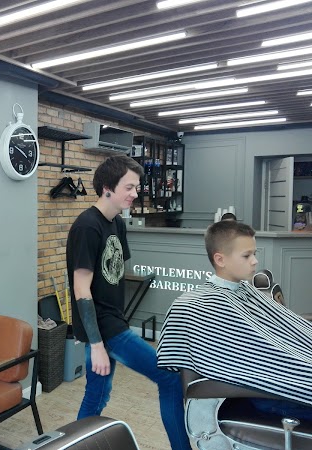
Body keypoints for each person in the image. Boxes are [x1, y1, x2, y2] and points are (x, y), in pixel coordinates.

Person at [66, 154, 191, 450]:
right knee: (169, 379)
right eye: (129, 187)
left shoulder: (117, 223)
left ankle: (74, 445)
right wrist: (97, 345)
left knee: (97, 394)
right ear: (107, 188)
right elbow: (81, 289)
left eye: (137, 187)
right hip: (106, 329)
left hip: (113, 321)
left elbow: (113, 276)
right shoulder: (87, 226)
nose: (136, 193)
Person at [157, 220, 312, 420]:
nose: (255, 261)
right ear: (220, 260)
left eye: (254, 254)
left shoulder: (246, 290)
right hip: (270, 394)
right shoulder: (197, 305)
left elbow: (283, 331)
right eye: (247, 256)